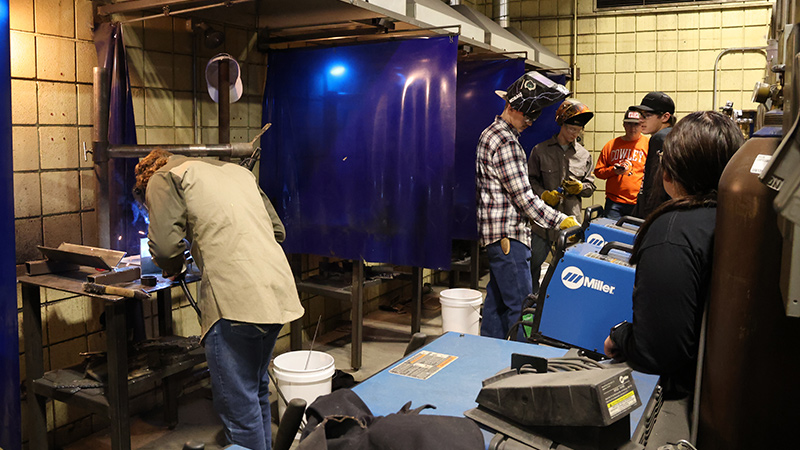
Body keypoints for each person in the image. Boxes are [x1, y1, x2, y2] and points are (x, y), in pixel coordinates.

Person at [134, 149, 304, 450]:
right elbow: (278, 231)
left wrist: (175, 267)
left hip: (235, 303)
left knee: (239, 413)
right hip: (278, 292)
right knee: (255, 392)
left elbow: (163, 248)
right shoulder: (239, 173)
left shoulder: (162, 178)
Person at [603, 111, 744, 398]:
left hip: (686, 396)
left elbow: (656, 352)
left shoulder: (673, 232)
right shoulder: (736, 216)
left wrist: (620, 336)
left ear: (671, 169)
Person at [476, 72, 578, 341]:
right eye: (527, 116)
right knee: (522, 308)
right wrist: (560, 220)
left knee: (497, 306)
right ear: (511, 107)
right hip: (509, 236)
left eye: (534, 117)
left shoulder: (493, 134)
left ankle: (486, 358)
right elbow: (523, 197)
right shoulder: (506, 141)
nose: (530, 123)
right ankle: (523, 368)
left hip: (499, 236)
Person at [527, 98, 595, 293]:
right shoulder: (540, 151)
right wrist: (543, 195)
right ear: (561, 125)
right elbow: (530, 182)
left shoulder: (584, 155)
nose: (575, 133)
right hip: (542, 223)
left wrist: (580, 187)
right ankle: (533, 303)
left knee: (569, 271)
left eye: (578, 129)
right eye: (571, 128)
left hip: (571, 223)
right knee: (532, 265)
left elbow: (591, 186)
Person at [593, 108, 649, 220]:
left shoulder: (648, 144)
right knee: (612, 234)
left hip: (637, 202)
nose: (632, 128)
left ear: (642, 126)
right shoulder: (611, 145)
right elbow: (598, 172)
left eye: (636, 124)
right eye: (629, 124)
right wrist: (613, 171)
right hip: (614, 202)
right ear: (624, 125)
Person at [630, 91, 676, 219]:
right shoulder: (674, 135)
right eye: (640, 115)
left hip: (657, 212)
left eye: (647, 115)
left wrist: (648, 216)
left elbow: (654, 184)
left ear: (665, 117)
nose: (640, 120)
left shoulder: (660, 138)